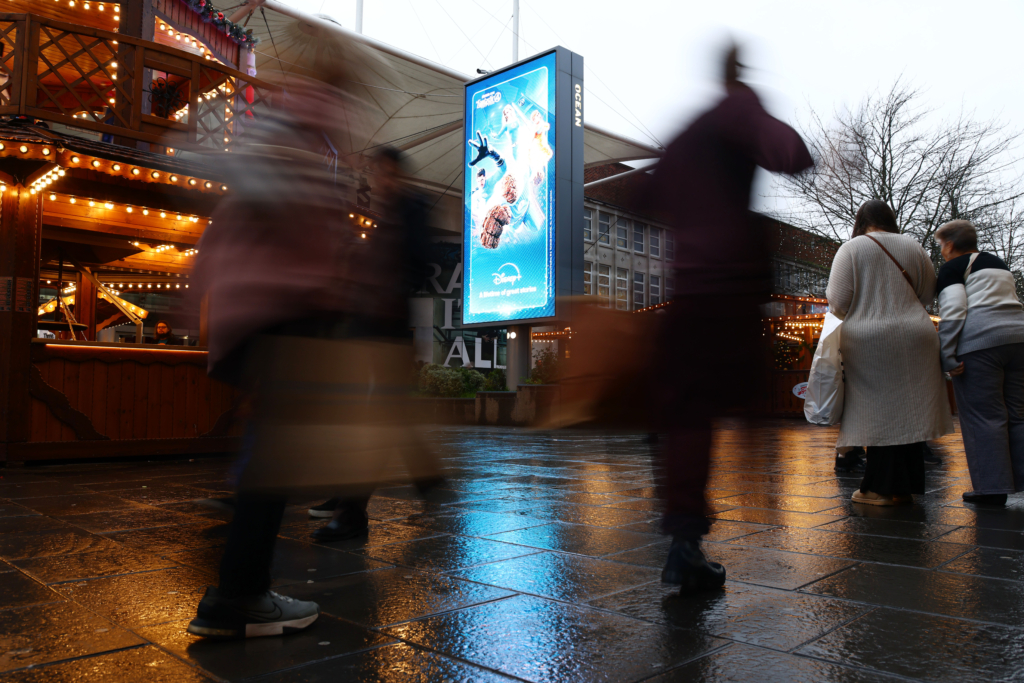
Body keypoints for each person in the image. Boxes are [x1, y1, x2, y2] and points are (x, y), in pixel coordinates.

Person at [645, 45, 813, 593]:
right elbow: (789, 152)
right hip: (733, 284)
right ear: (738, 74)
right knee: (738, 401)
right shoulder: (738, 109)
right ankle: (753, 500)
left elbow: (646, 192)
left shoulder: (690, 130)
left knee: (685, 410)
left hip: (688, 287)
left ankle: (683, 539)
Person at [306, 147, 440, 542]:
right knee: (382, 419)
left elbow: (422, 261)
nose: (378, 181)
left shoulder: (412, 210)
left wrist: (384, 282)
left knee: (373, 422)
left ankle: (351, 510)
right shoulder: (385, 216)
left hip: (388, 331)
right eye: (375, 174)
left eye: (383, 173)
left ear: (396, 174)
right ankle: (422, 480)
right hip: (370, 328)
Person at [826, 200, 953, 506]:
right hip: (917, 335)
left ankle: (878, 488)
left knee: (876, 410)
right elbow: (926, 293)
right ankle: (904, 486)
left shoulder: (852, 248)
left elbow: (838, 302)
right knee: (911, 409)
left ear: (861, 220)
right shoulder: (912, 246)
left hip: (870, 337)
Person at [935, 219, 1024, 506]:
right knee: (1018, 414)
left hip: (981, 344)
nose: (941, 252)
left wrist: (947, 355)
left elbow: (954, 310)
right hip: (1019, 339)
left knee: (984, 416)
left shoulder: (952, 268)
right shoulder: (998, 263)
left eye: (940, 246)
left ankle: (991, 488)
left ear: (949, 244)